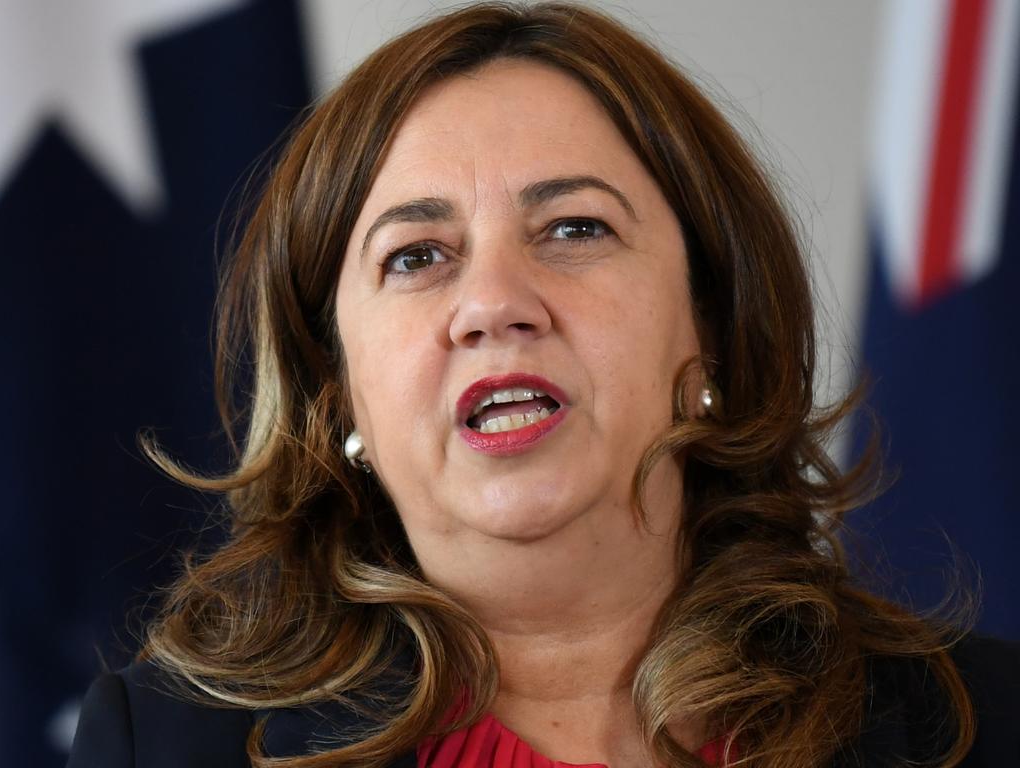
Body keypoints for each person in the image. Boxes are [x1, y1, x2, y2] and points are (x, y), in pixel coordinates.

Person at [67, 3, 1018, 767]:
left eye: (574, 229)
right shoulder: (165, 746)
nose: (492, 304)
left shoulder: (987, 724)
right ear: (337, 393)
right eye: (417, 255)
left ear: (715, 330)